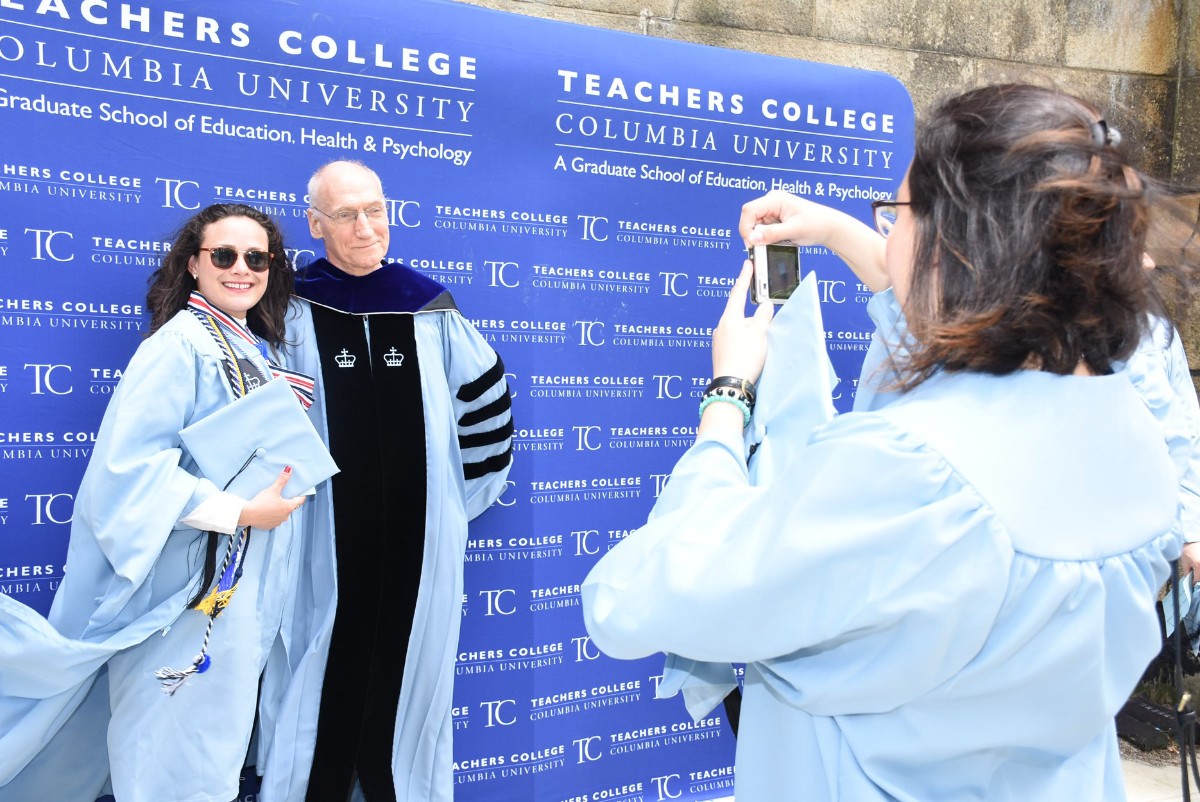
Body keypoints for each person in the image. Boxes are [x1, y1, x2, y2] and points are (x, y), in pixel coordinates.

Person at [581, 83, 1195, 800]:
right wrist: (840, 233)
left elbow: (641, 599)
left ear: (957, 241)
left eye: (897, 214)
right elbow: (978, 332)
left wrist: (729, 396)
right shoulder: (1135, 435)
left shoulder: (910, 474)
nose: (888, 233)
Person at [0, 203, 312, 802]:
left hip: (227, 596)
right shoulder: (180, 347)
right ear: (194, 264)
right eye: (223, 255)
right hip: (181, 600)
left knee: (205, 752)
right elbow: (130, 471)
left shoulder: (251, 349)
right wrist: (243, 513)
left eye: (256, 257)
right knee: (172, 757)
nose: (240, 268)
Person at [256, 159, 513, 802]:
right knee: (319, 657)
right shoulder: (285, 309)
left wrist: (454, 503)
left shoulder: (428, 308)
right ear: (315, 225)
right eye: (345, 214)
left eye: (375, 209)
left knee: (411, 670)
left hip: (418, 533)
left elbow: (485, 401)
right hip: (319, 534)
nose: (365, 226)